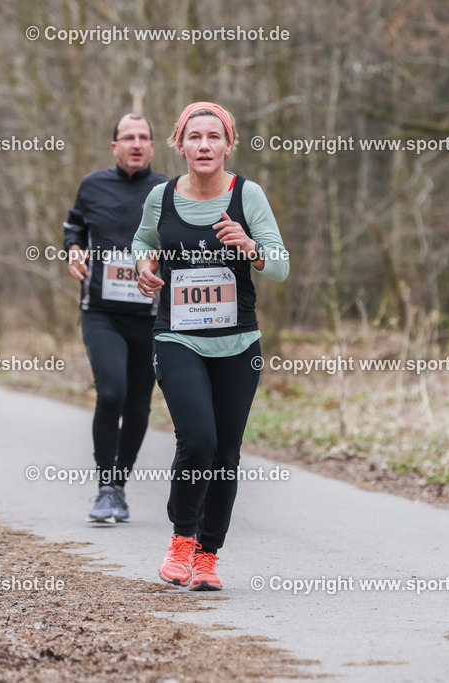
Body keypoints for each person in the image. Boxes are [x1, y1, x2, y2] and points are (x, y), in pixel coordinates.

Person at [133, 102, 289, 591]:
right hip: (177, 336)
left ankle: (208, 556)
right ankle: (181, 540)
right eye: (194, 137)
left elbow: (281, 265)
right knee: (197, 439)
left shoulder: (249, 195)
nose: (204, 146)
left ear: (228, 144)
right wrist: (143, 266)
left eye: (214, 137)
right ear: (179, 145)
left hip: (239, 341)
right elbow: (142, 241)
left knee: (225, 453)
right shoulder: (161, 197)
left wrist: (249, 245)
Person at [64, 113, 168, 523]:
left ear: (153, 146)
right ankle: (105, 486)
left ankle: (118, 487)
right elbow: (73, 227)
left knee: (139, 404)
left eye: (144, 137)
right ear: (114, 146)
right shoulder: (92, 185)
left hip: (149, 313)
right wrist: (73, 249)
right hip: (101, 310)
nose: (136, 144)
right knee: (111, 393)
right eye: (128, 137)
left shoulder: (167, 190)